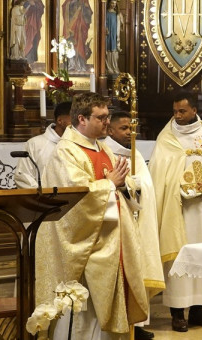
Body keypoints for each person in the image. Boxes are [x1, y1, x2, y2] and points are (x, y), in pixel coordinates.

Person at [35, 93, 150, 339]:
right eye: (101, 117)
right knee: (84, 314)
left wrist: (127, 185)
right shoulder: (66, 153)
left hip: (111, 243)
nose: (107, 122)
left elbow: (119, 183)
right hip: (85, 248)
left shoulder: (102, 148)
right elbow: (74, 201)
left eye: (107, 116)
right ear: (82, 119)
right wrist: (109, 185)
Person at [148, 92, 202, 332]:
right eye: (175, 111)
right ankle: (177, 313)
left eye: (182, 111)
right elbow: (161, 168)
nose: (177, 116)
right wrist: (183, 169)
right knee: (178, 257)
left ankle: (197, 310)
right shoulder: (167, 136)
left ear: (194, 110)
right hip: (177, 207)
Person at [104, 111, 164, 340]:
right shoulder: (108, 153)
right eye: (123, 128)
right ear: (110, 131)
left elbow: (146, 187)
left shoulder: (133, 152)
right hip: (122, 224)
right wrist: (130, 188)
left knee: (139, 271)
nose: (130, 132)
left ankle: (137, 325)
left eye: (131, 128)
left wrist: (140, 189)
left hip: (139, 221)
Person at [14, 101, 71, 189]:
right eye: (74, 119)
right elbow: (23, 176)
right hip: (43, 201)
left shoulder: (81, 143)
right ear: (60, 120)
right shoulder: (35, 144)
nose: (79, 124)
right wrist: (43, 196)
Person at [62, 0, 92, 72]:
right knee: (71, 42)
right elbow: (64, 6)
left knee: (80, 42)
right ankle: (71, 64)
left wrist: (84, 7)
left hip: (81, 22)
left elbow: (89, 10)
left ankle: (80, 64)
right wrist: (71, 3)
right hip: (71, 23)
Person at [23, 0, 45, 65]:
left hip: (33, 19)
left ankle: (30, 59)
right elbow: (16, 3)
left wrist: (35, 4)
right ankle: (22, 57)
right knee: (24, 38)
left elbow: (41, 6)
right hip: (23, 19)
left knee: (32, 37)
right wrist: (27, 3)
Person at [105, 0, 123, 75]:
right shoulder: (105, 13)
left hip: (114, 35)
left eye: (115, 4)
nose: (113, 5)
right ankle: (108, 68)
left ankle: (115, 67)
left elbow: (121, 25)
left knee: (114, 51)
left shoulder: (117, 14)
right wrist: (105, 29)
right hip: (107, 35)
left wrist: (121, 21)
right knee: (108, 51)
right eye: (112, 3)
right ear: (109, 3)